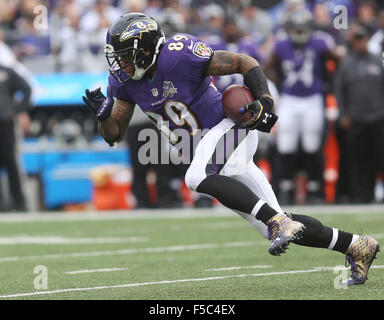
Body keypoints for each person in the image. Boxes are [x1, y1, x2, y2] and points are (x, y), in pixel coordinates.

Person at [83, 12, 379, 286]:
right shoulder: (124, 82)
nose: (120, 64)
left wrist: (264, 99)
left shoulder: (178, 56)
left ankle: (277, 221)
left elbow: (242, 62)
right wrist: (103, 115)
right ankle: (356, 245)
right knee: (269, 225)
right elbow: (114, 135)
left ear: (146, 50)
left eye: (125, 56)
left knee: (196, 178)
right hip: (211, 151)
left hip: (228, 129)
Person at [265, 9, 338, 205]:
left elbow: (337, 59)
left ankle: (315, 189)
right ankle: (285, 189)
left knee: (312, 145)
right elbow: (266, 66)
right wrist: (278, 82)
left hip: (312, 98)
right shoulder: (280, 44)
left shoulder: (320, 42)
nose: (298, 31)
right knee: (285, 144)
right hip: (289, 98)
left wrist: (326, 81)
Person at [334, 22, 384, 203]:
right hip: (356, 119)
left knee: (379, 157)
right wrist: (343, 114)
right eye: (357, 40)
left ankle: (375, 193)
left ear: (367, 40)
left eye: (363, 39)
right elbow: (339, 91)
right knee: (357, 160)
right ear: (353, 42)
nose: (360, 43)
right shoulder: (346, 65)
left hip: (378, 117)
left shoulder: (379, 61)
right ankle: (360, 194)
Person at [0, 63, 32, 212]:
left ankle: (19, 203)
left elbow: (27, 88)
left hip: (5, 122)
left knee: (10, 161)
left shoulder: (5, 72)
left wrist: (18, 110)